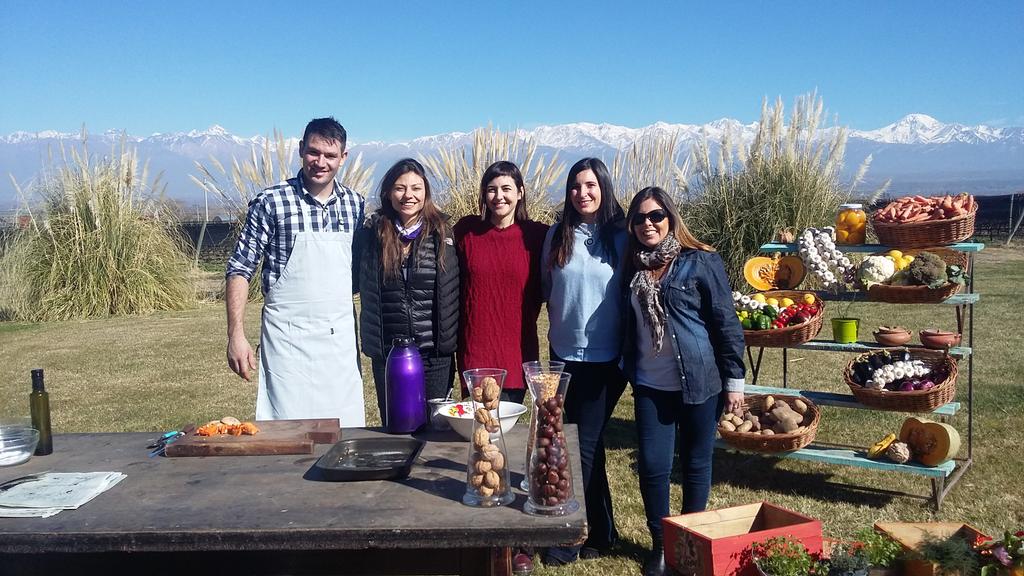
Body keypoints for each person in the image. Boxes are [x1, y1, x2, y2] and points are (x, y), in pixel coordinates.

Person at [621, 186, 746, 576]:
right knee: (654, 466)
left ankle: (689, 542)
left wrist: (735, 381)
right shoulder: (631, 264)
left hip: (700, 381)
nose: (648, 223)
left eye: (656, 215)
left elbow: (725, 321)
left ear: (671, 218)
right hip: (650, 384)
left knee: (695, 464)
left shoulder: (701, 261)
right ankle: (661, 545)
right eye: (639, 218)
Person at [225, 117, 366, 426]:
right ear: (301, 150)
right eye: (314, 152)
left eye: (330, 156)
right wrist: (236, 334)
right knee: (285, 435)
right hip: (286, 342)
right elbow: (239, 268)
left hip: (338, 341)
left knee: (346, 432)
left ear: (343, 158)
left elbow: (357, 272)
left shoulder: (355, 205)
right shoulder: (270, 202)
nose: (320, 162)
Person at [541, 157, 628, 565]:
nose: (583, 193)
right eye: (576, 186)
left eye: (591, 185)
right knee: (575, 441)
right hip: (562, 355)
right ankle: (603, 532)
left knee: (580, 445)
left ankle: (571, 535)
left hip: (605, 358)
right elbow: (548, 288)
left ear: (604, 188)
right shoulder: (557, 235)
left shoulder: (622, 236)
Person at [357, 158, 459, 423]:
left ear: (425, 191)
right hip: (390, 353)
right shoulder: (372, 235)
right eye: (400, 188)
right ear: (389, 193)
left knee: (437, 428)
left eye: (416, 187)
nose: (408, 195)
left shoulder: (443, 233)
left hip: (434, 353)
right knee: (396, 426)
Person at [454, 161, 549, 404]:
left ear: (520, 192)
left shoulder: (537, 236)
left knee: (504, 428)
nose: (499, 196)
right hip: (476, 349)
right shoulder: (467, 231)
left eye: (506, 189)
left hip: (516, 351)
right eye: (491, 189)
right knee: (478, 429)